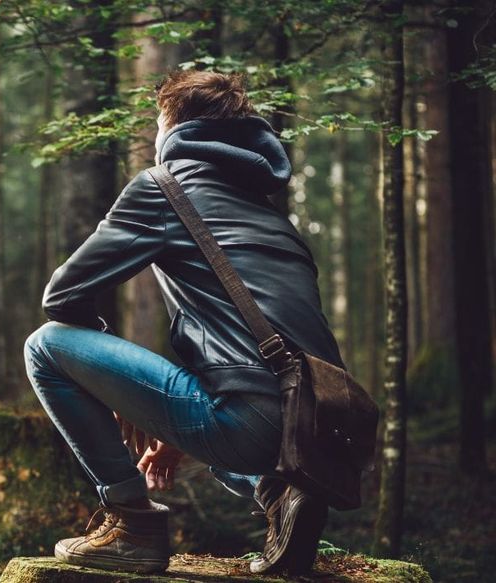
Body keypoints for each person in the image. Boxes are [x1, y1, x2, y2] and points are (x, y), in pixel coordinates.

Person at [23, 69, 345, 575]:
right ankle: (278, 493)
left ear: (172, 126)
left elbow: (62, 295)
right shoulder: (269, 214)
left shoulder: (166, 187)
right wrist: (170, 431)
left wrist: (109, 385)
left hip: (254, 423)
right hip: (319, 430)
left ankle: (132, 524)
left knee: (45, 346)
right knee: (235, 421)